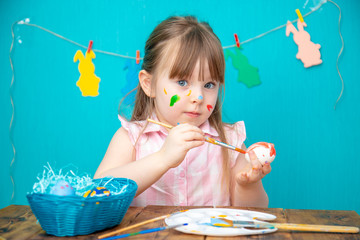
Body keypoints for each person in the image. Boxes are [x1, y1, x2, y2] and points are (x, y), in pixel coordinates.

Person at [94, 16, 271, 207]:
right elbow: (98, 194)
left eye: (209, 84)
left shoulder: (229, 141)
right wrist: (163, 158)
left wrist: (247, 186)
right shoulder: (131, 138)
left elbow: (254, 212)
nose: (198, 97)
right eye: (182, 82)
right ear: (148, 84)